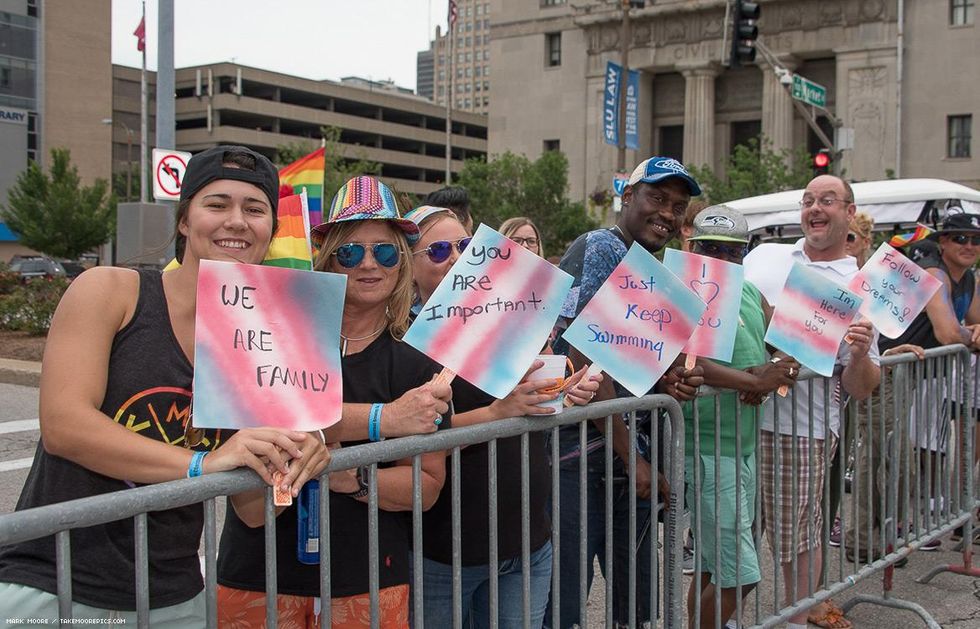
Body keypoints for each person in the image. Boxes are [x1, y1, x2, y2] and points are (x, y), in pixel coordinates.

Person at [0, 146, 329, 626]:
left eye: (255, 209)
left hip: (174, 598)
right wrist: (202, 464)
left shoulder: (267, 340)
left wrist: (298, 452)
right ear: (184, 221)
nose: (236, 220)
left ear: (269, 232)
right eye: (217, 204)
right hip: (54, 581)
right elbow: (64, 425)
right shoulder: (112, 290)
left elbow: (252, 510)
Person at [216, 177, 453, 628]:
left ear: (401, 263)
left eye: (384, 251)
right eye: (351, 252)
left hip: (366, 579)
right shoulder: (269, 340)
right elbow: (251, 425)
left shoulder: (418, 367)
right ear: (328, 260)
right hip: (257, 572)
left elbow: (428, 487)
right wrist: (386, 420)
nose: (369, 264)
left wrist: (354, 478)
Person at [404, 204, 599, 629]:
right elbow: (412, 442)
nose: (456, 258)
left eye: (464, 245)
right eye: (438, 250)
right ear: (410, 266)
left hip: (526, 540)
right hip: (446, 551)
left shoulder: (512, 317)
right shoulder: (404, 342)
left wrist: (569, 392)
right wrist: (496, 413)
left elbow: (540, 398)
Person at [547, 156, 706, 629]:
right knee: (568, 600)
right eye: (657, 198)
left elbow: (632, 362)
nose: (668, 213)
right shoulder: (600, 247)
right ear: (628, 197)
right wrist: (629, 454)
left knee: (635, 597)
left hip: (626, 454)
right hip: (583, 456)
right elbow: (584, 359)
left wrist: (669, 381)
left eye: (678, 206)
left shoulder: (651, 271)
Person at [744, 174, 881, 629]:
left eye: (827, 200)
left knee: (796, 537)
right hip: (739, 419)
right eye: (808, 201)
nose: (815, 209)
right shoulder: (770, 258)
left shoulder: (861, 284)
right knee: (734, 535)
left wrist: (860, 353)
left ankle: (798, 620)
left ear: (849, 213)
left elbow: (863, 387)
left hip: (801, 431)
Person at [681, 205, 800, 629]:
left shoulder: (750, 293)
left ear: (745, 254)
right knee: (742, 574)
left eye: (732, 251)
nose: (720, 259)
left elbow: (788, 349)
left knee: (715, 567)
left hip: (745, 448)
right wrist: (751, 382)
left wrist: (775, 372)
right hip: (708, 450)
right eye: (710, 248)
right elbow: (685, 365)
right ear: (691, 247)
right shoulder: (683, 290)